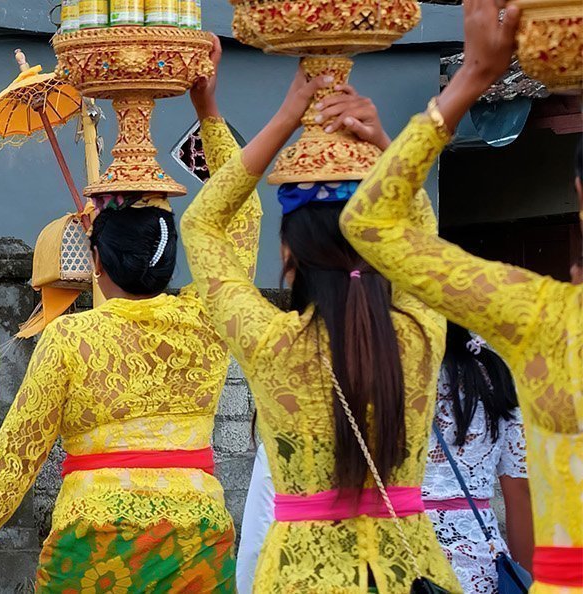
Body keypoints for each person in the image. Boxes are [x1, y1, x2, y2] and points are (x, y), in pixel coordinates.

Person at [0, 43, 249, 592]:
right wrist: (208, 112)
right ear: (170, 256)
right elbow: (244, 217)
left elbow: (15, 458)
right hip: (195, 542)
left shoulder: (71, 337)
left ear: (96, 260)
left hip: (94, 543)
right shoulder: (209, 320)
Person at [179, 65, 460, 591]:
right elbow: (422, 228)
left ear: (291, 254)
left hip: (301, 577)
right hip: (412, 572)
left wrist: (287, 118)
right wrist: (383, 143)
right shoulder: (422, 336)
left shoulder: (272, 343)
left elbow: (202, 224)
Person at [339, 1, 578, 588]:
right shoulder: (495, 365)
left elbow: (371, 223)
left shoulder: (541, 319)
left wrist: (472, 77)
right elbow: (517, 495)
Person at [424, 325, 536, 594]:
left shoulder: (385, 373)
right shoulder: (494, 373)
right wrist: (529, 582)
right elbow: (519, 491)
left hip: (403, 553)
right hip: (479, 563)